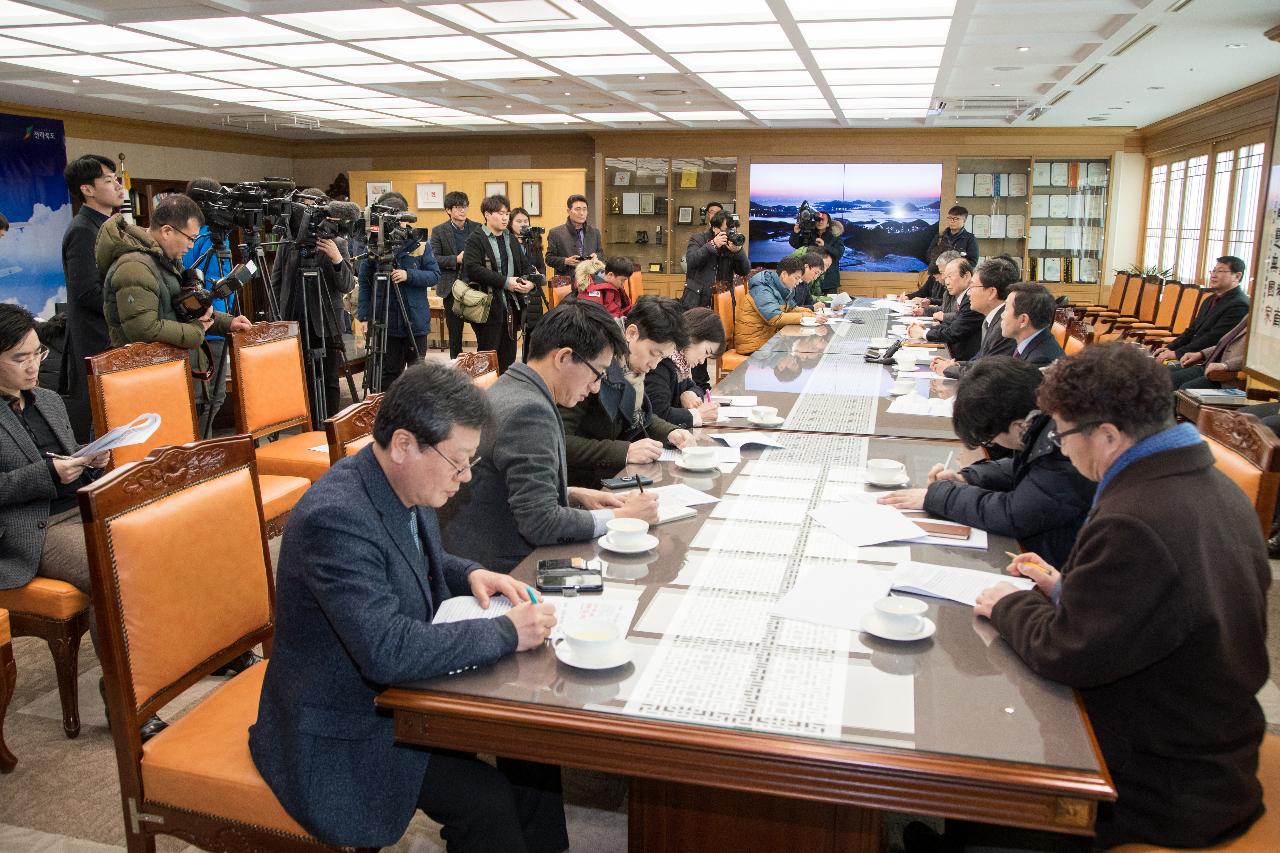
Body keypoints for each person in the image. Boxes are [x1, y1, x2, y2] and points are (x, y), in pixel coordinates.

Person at [250, 363, 566, 852]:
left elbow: (417, 554)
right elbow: (387, 651)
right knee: (486, 801)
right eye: (459, 462)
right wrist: (506, 631)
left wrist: (469, 573)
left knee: (531, 743)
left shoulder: (400, 480)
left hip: (395, 692)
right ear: (403, 445)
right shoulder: (335, 518)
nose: (465, 478)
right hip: (343, 721)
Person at [972, 344, 1269, 850]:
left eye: (1064, 435)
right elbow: (1165, 597)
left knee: (981, 742)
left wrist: (1007, 604)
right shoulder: (1207, 485)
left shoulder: (1135, 519)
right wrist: (1067, 584)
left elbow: (1066, 651)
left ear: (1108, 435)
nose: (1062, 449)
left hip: (1157, 783)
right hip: (1214, 743)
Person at [441, 300, 659, 571]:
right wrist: (619, 516)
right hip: (505, 566)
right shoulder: (530, 412)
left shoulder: (514, 385)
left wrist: (573, 494)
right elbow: (540, 524)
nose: (594, 388)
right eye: (597, 374)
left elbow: (507, 488)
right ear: (563, 357)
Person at [879, 357, 1093, 567]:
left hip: (1062, 569)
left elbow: (1012, 514)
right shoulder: (1043, 423)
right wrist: (967, 477)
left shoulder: (1065, 447)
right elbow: (1024, 467)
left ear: (1019, 426)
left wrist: (938, 496)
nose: (991, 442)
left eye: (989, 437)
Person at [560, 295, 695, 488]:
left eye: (662, 357)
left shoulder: (630, 369)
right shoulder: (594, 366)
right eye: (654, 354)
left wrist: (671, 432)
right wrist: (625, 451)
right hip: (584, 485)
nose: (654, 365)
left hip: (614, 477)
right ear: (631, 333)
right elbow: (559, 441)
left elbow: (636, 414)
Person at [98, 193, 251, 353]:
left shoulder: (166, 261)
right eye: (190, 238)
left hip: (171, 367)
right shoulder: (133, 267)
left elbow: (186, 310)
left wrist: (228, 323)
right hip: (154, 372)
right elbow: (143, 330)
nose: (192, 246)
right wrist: (197, 331)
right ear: (166, 231)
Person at [270, 188, 355, 418]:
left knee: (329, 380)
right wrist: (279, 317)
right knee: (301, 379)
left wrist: (336, 258)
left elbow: (347, 285)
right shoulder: (287, 242)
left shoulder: (337, 242)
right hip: (295, 318)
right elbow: (276, 282)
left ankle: (329, 428)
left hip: (326, 322)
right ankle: (307, 426)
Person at [61, 154, 125, 442]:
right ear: (87, 189)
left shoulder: (107, 226)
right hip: (98, 340)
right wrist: (130, 309)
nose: (118, 187)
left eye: (117, 180)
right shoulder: (84, 230)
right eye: (109, 181)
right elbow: (87, 293)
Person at [357, 192, 442, 394]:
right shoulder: (374, 245)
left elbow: (434, 275)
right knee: (388, 375)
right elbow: (364, 282)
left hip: (415, 322)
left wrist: (408, 275)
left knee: (418, 377)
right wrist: (363, 316)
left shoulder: (420, 243)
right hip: (385, 321)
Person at [181, 177, 237, 430]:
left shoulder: (198, 238)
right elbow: (215, 286)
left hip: (209, 325)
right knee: (211, 397)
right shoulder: (205, 240)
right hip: (210, 328)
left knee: (211, 397)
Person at [461, 194, 534, 374]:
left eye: (507, 214)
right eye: (500, 213)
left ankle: (504, 395)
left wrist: (529, 283)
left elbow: (524, 266)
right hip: (488, 305)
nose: (504, 218)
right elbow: (473, 269)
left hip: (510, 304)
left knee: (508, 355)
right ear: (486, 214)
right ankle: (485, 397)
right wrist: (505, 282)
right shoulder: (476, 238)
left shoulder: (509, 238)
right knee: (488, 355)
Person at [931, 256, 1018, 378]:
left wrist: (949, 369)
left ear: (992, 292)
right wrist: (955, 365)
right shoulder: (993, 319)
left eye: (972, 286)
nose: (969, 293)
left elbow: (988, 372)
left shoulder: (1005, 326)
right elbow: (981, 359)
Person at [1152, 256, 1249, 361]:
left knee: (1158, 375)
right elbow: (1192, 330)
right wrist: (1169, 348)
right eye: (1213, 271)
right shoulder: (1210, 299)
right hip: (1189, 355)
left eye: (1220, 271)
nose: (1213, 275)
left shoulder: (1239, 305)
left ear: (1237, 276)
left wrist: (1177, 354)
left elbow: (1213, 339)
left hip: (1208, 361)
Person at [644, 307, 725, 428]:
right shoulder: (661, 363)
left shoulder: (680, 363)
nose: (702, 361)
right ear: (692, 336)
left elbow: (694, 386)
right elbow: (658, 414)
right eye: (706, 351)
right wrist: (697, 414)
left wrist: (689, 393)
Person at [734, 256, 823, 355]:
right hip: (753, 346)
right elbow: (775, 318)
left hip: (769, 341)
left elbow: (792, 309)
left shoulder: (780, 287)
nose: (798, 282)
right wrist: (807, 317)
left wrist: (811, 315)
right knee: (798, 353)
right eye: (796, 278)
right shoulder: (763, 289)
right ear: (784, 274)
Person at [429, 191, 481, 359]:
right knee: (455, 334)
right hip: (451, 288)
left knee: (482, 330)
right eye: (458, 207)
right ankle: (456, 368)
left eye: (465, 206)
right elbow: (434, 259)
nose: (462, 211)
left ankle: (483, 364)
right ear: (448, 210)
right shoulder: (438, 231)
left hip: (475, 285)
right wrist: (456, 259)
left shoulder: (477, 227)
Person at [907, 256, 983, 361]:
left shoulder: (971, 301)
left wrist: (923, 333)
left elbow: (954, 332)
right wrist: (928, 329)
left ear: (966, 276)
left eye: (950, 276)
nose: (946, 281)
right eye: (945, 277)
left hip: (962, 360)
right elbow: (951, 325)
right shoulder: (961, 297)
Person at [681, 210, 750, 310]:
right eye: (727, 230)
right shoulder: (698, 239)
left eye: (733, 230)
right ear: (715, 228)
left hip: (722, 300)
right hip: (697, 299)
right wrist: (712, 245)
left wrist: (738, 252)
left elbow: (744, 271)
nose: (730, 234)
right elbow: (691, 261)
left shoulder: (731, 244)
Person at [1168, 315, 1248, 390]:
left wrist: (1226, 365)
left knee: (1185, 389)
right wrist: (1201, 354)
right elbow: (1225, 344)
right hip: (1210, 365)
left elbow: (1255, 359)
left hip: (1228, 375)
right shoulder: (1250, 314)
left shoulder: (1241, 306)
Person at [511, 207, 548, 363]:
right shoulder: (507, 241)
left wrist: (533, 284)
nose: (523, 224)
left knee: (532, 334)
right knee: (510, 333)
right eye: (519, 221)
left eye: (526, 221)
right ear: (511, 223)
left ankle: (528, 366)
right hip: (512, 290)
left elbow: (541, 268)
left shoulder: (534, 241)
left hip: (532, 293)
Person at [1000, 282, 1065, 366]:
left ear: (1023, 320)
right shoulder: (1034, 342)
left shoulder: (1040, 361)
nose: (1002, 315)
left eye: (1006, 308)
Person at [788, 209, 844, 295]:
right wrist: (796, 232)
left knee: (829, 304)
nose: (820, 222)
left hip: (829, 280)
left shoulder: (835, 237)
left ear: (828, 223)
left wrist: (824, 245)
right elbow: (795, 244)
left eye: (823, 220)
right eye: (818, 220)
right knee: (810, 303)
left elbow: (838, 254)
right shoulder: (809, 235)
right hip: (811, 279)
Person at [545, 194, 601, 277]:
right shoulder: (555, 233)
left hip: (591, 280)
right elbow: (549, 258)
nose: (581, 213)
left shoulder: (594, 232)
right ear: (568, 211)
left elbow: (601, 253)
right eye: (577, 209)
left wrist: (597, 256)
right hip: (566, 282)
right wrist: (565, 261)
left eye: (584, 209)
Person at [911, 250, 962, 318]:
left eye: (942, 273)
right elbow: (945, 309)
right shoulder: (948, 291)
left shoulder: (968, 293)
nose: (943, 277)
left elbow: (962, 318)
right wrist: (924, 311)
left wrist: (943, 317)